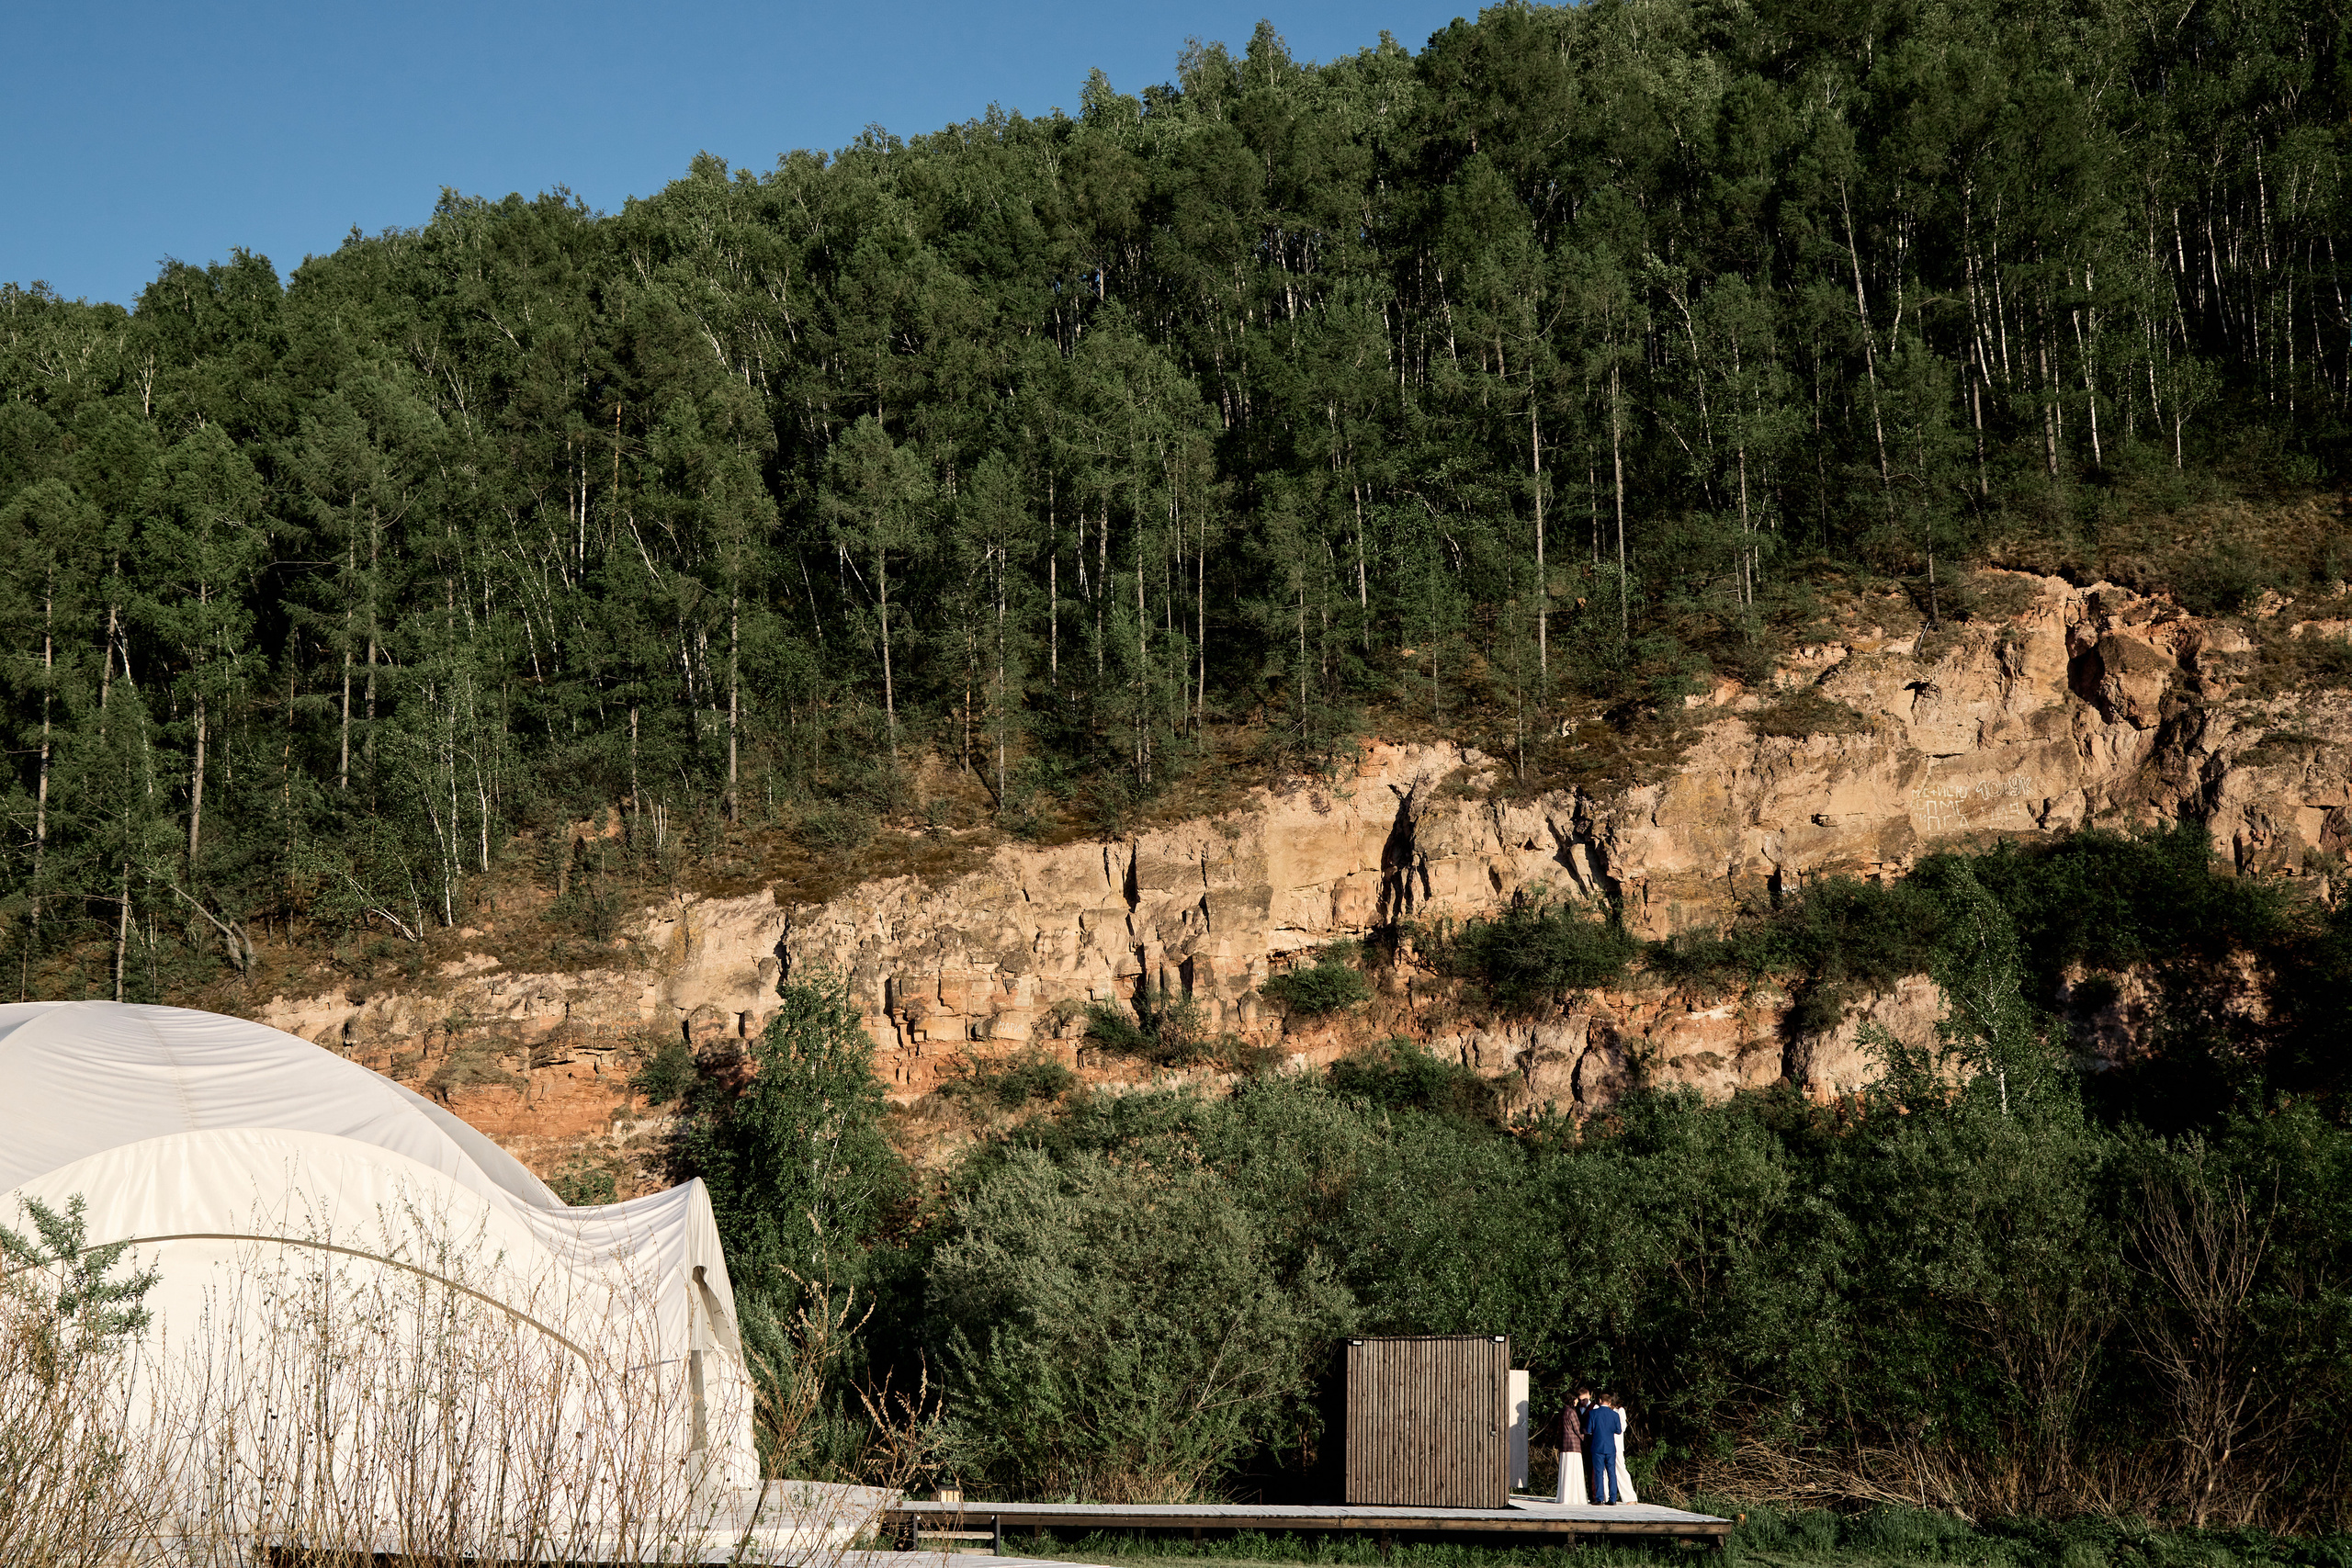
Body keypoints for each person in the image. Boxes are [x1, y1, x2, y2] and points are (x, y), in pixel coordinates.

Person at [1584, 1393, 1623, 1505]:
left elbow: (1588, 1429)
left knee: (1598, 1473)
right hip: (1610, 1447)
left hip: (1597, 1446)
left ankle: (1600, 1498)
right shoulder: (1615, 1415)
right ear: (1610, 1402)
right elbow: (1618, 1430)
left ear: (1600, 1400)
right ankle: (1613, 1498)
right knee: (1612, 1473)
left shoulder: (1593, 1413)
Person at [1555, 1389, 1591, 1505]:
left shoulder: (1562, 1411)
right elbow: (1577, 1429)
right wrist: (1586, 1439)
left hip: (1564, 1445)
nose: (1577, 1401)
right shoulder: (1571, 1412)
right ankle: (1575, 1497)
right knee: (1574, 1470)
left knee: (1566, 1470)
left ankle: (1565, 1496)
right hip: (1574, 1445)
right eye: (1575, 1398)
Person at [1604, 1393, 1639, 1505]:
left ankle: (1630, 1497)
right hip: (1606, 1444)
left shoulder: (1620, 1411)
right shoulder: (1604, 1411)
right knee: (1605, 1470)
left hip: (1617, 1446)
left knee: (1620, 1469)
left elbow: (1622, 1427)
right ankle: (1605, 1496)